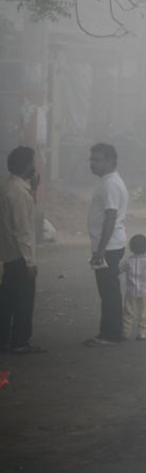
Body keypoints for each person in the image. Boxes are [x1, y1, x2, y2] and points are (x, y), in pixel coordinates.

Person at [0, 146, 44, 354]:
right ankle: (20, 341)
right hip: (20, 255)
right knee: (24, 300)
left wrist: (33, 189)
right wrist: (30, 262)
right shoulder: (18, 193)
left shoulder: (9, 186)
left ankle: (6, 339)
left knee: (8, 299)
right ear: (27, 166)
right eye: (32, 163)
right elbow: (23, 230)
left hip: (9, 254)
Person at [86, 142, 128, 347]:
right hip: (109, 244)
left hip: (109, 246)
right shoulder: (108, 181)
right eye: (91, 159)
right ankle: (109, 331)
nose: (92, 163)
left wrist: (100, 250)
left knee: (109, 290)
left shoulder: (110, 184)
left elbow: (110, 217)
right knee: (108, 290)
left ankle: (111, 334)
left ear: (111, 161)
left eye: (97, 160)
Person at [120, 234, 146, 341]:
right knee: (144, 313)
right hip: (145, 293)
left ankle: (126, 332)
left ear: (131, 248)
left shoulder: (128, 261)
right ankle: (142, 334)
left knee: (128, 313)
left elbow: (118, 271)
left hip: (131, 292)